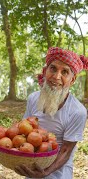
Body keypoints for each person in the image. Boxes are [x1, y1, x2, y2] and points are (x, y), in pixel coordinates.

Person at [15, 47, 88, 178]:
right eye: (53, 68)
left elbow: (66, 150)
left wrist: (45, 172)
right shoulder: (33, 98)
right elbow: (23, 131)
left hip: (58, 175)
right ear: (45, 71)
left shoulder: (78, 112)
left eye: (65, 72)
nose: (56, 76)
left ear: (72, 80)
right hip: (32, 170)